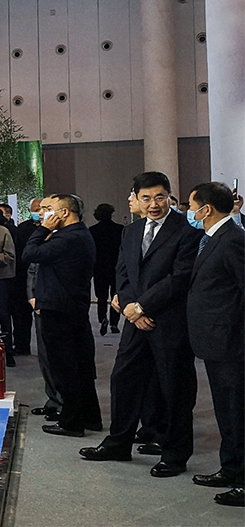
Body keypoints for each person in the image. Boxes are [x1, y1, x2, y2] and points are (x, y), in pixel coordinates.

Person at [79, 172, 200, 479]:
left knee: (175, 388)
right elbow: (123, 272)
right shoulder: (131, 232)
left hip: (168, 322)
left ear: (169, 197)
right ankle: (118, 443)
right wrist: (129, 306)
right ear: (136, 198)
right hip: (136, 322)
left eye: (160, 197)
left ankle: (174, 454)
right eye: (146, 198)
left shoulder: (186, 232)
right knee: (124, 381)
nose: (153, 204)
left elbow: (179, 278)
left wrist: (142, 306)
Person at [185, 182, 245, 506]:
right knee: (226, 410)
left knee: (238, 411)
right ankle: (231, 468)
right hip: (215, 342)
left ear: (206, 209)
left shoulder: (233, 240)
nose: (189, 212)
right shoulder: (211, 238)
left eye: (192, 206)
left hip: (231, 342)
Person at [24, 193, 101, 437]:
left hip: (59, 309)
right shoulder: (78, 234)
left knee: (65, 368)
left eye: (48, 208)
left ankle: (72, 421)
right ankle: (90, 416)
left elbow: (29, 253)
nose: (42, 213)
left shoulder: (67, 238)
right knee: (80, 366)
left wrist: (42, 230)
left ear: (64, 213)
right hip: (71, 306)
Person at [11, 198, 43, 356]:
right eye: (34, 209)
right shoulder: (23, 228)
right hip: (22, 275)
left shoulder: (50, 228)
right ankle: (21, 345)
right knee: (21, 314)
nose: (37, 212)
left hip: (43, 275)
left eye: (40, 209)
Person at [89, 203, 125, 336]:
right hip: (116, 267)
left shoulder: (92, 230)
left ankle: (102, 318)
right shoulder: (120, 229)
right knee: (116, 295)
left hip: (99, 267)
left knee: (101, 296)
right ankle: (114, 323)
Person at [0, 207, 17, 366]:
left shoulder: (2, 231)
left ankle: (8, 351)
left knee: (2, 314)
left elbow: (10, 256)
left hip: (0, 279)